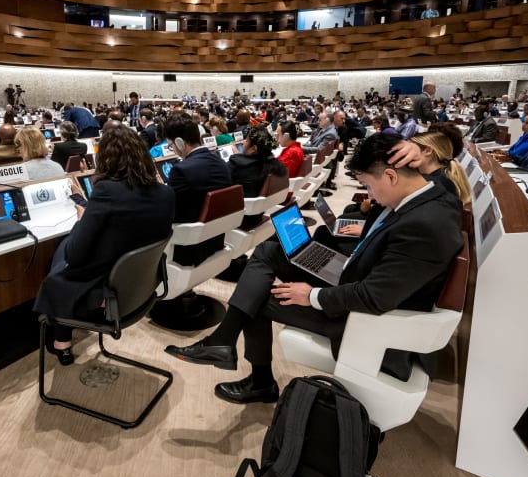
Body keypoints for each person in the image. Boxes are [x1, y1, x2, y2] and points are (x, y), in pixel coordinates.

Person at [165, 133, 464, 403]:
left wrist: (311, 295)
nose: (370, 196)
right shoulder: (430, 191)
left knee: (260, 297)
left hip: (363, 316)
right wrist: (412, 148)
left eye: (370, 186)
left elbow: (375, 298)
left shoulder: (427, 223)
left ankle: (260, 381)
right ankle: (223, 341)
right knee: (269, 251)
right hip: (353, 273)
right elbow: (439, 179)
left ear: (391, 176)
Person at [34, 126, 175, 365]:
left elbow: (76, 256)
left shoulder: (106, 191)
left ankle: (61, 341)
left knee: (62, 252)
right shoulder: (166, 193)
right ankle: (63, 341)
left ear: (105, 158)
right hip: (142, 287)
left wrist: (82, 219)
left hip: (105, 291)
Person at [164, 112, 232, 266]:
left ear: (180, 143)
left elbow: (170, 212)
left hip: (188, 249)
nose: (172, 149)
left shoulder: (181, 170)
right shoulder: (220, 162)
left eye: (171, 145)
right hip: (215, 240)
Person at [228, 125, 287, 198]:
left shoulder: (236, 163)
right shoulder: (277, 166)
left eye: (246, 141)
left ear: (253, 148)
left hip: (241, 205)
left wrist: (238, 157)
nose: (243, 143)